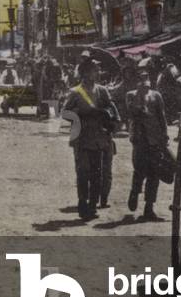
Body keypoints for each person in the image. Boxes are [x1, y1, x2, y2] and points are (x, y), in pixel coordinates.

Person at [61, 59, 119, 221]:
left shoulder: (102, 91)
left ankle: (92, 206)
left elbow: (112, 109)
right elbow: (65, 113)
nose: (98, 73)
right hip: (81, 138)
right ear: (85, 72)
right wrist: (82, 113)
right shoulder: (75, 92)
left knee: (97, 173)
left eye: (98, 70)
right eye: (95, 70)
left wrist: (107, 116)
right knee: (82, 172)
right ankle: (82, 203)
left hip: (99, 138)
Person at [126, 59, 171, 221]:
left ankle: (149, 208)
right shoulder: (131, 96)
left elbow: (162, 117)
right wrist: (139, 95)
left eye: (147, 78)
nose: (145, 82)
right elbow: (132, 113)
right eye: (141, 79)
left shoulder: (156, 96)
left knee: (154, 174)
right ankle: (134, 192)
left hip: (155, 140)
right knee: (139, 170)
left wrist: (164, 135)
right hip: (139, 140)